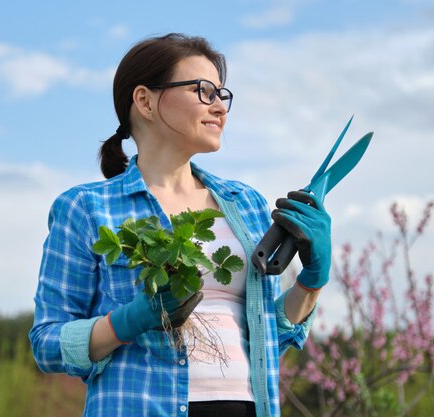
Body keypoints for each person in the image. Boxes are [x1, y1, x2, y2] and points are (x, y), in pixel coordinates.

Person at [29, 33, 332, 417]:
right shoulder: (87, 208)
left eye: (223, 95)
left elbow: (271, 333)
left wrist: (313, 279)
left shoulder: (246, 204)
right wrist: (128, 321)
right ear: (145, 101)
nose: (220, 107)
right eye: (203, 91)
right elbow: (47, 343)